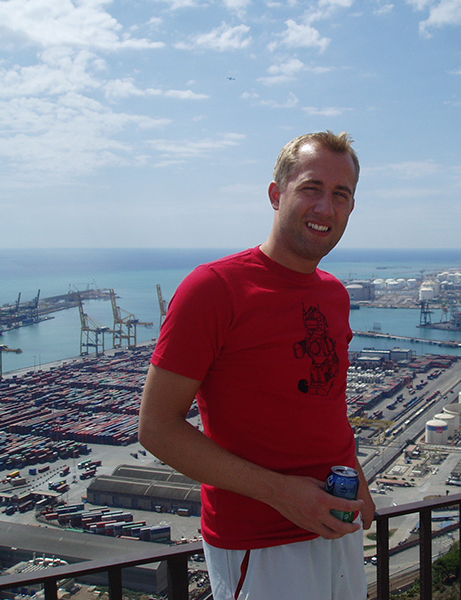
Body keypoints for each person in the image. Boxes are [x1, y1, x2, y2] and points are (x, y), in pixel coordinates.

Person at [139, 131, 376, 600]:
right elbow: (157, 428)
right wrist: (283, 494)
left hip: (337, 525)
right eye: (311, 188)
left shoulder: (333, 294)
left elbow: (325, 406)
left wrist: (358, 482)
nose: (325, 208)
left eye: (341, 194)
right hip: (260, 543)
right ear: (276, 194)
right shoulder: (213, 288)